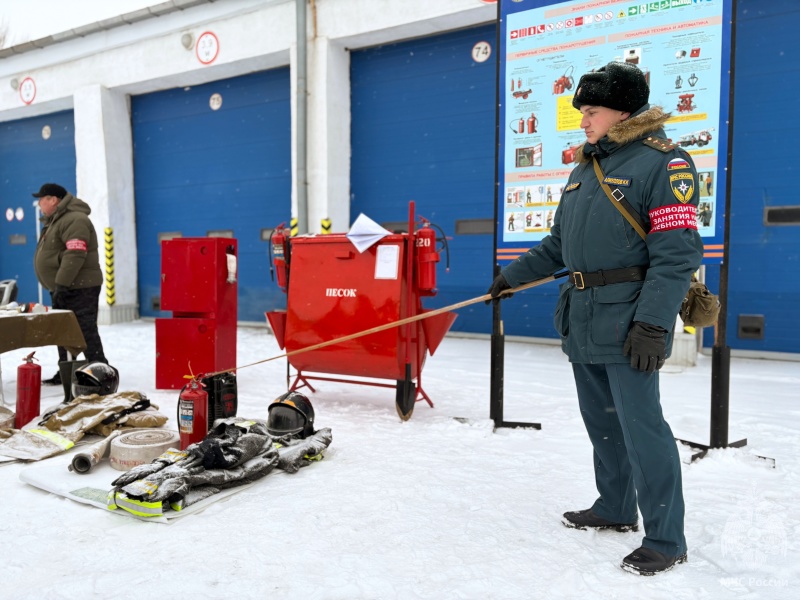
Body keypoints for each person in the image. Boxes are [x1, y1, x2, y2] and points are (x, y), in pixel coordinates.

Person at [487, 62, 703, 575]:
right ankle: (614, 506)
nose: (583, 120)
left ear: (623, 112)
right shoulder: (586, 167)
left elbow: (675, 256)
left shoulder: (665, 164)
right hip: (583, 315)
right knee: (601, 422)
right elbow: (560, 244)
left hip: (632, 318)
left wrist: (653, 324)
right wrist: (512, 277)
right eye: (582, 110)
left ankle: (667, 537)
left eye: (591, 111)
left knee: (642, 426)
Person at [33, 183, 108, 384]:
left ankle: (100, 371)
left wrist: (62, 284)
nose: (39, 204)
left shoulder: (75, 219)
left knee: (84, 329)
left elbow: (75, 253)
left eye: (41, 199)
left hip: (80, 286)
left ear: (53, 200)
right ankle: (67, 370)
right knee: (63, 330)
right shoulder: (56, 221)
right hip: (64, 286)